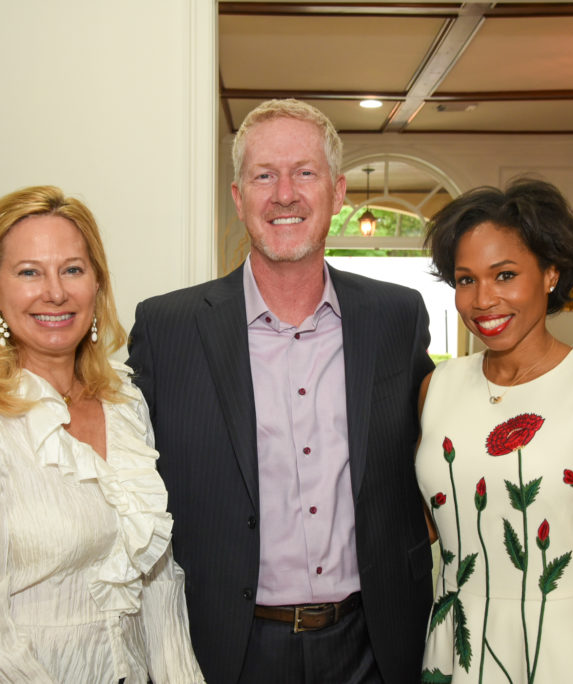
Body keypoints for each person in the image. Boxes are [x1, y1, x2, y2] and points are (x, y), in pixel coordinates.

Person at [127, 99, 434, 683]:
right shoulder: (169, 328)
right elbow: (120, 468)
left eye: (305, 173)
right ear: (240, 198)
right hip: (228, 650)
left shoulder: (396, 317)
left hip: (375, 644)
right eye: (264, 175)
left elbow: (450, 439)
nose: (285, 194)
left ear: (338, 193)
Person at [0, 186, 204, 683]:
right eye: (28, 272)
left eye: (72, 269)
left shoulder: (125, 403)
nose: (55, 292)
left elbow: (158, 584)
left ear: (97, 285)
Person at [417, 179, 573, 682]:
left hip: (561, 646)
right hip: (455, 646)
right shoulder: (436, 388)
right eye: (465, 280)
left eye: (505, 275)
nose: (483, 300)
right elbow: (433, 524)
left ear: (551, 274)